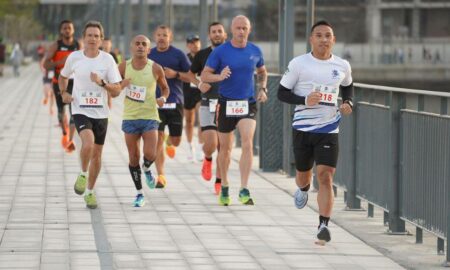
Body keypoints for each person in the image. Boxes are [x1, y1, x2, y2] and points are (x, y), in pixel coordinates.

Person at [277, 20, 353, 244]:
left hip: (329, 128)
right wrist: (304, 100)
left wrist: (348, 102)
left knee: (326, 176)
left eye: (327, 35)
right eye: (318, 35)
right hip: (302, 128)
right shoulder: (299, 64)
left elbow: (348, 85)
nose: (323, 39)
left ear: (333, 40)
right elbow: (282, 93)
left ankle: (323, 225)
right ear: (311, 39)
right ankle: (303, 187)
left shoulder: (342, 65)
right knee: (303, 176)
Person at [201, 15, 268, 206]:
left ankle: (244, 188)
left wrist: (263, 88)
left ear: (249, 29)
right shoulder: (221, 52)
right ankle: (224, 186)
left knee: (247, 142)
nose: (241, 31)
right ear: (232, 29)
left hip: (247, 102)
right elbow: (205, 75)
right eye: (238, 28)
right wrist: (219, 76)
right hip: (226, 103)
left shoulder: (255, 50)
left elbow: (262, 72)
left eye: (244, 28)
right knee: (226, 149)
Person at [59, 21, 123, 209]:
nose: (93, 39)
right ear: (83, 38)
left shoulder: (108, 60)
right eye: (90, 35)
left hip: (101, 113)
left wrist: (102, 83)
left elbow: (117, 90)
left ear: (101, 39)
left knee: (97, 154)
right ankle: (82, 173)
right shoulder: (75, 57)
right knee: (87, 142)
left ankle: (90, 192)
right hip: (80, 109)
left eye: (96, 36)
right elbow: (63, 77)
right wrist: (64, 93)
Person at [118, 34, 169, 207]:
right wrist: (120, 86)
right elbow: (114, 87)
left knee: (150, 154)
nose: (140, 46)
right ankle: (139, 194)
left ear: (148, 49)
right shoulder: (123, 66)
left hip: (149, 116)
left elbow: (165, 88)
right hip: (130, 117)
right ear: (131, 47)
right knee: (133, 158)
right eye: (137, 43)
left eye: (144, 44)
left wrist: (163, 98)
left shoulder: (155, 67)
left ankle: (147, 168)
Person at [147, 25, 191, 188]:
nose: (161, 38)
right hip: (155, 104)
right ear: (154, 36)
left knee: (176, 140)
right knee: (157, 140)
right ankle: (161, 176)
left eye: (164, 35)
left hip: (175, 102)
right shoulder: (149, 54)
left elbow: (191, 76)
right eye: (158, 35)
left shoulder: (178, 55)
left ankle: (170, 142)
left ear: (170, 37)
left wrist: (176, 74)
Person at [187, 22, 227, 195]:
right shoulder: (202, 54)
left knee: (223, 146)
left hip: (228, 104)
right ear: (209, 35)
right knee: (211, 143)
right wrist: (200, 83)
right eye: (213, 32)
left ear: (225, 34)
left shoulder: (232, 53)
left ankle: (219, 180)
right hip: (208, 103)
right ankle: (208, 158)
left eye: (220, 31)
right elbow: (190, 74)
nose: (217, 34)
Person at [43, 20, 82, 153]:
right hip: (58, 82)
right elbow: (46, 65)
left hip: (74, 84)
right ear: (61, 31)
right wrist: (61, 62)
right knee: (61, 111)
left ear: (73, 30)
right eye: (64, 28)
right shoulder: (56, 46)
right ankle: (64, 134)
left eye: (69, 28)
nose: (67, 30)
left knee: (74, 112)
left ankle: (70, 140)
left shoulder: (78, 45)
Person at [183, 34, 203, 162]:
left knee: (202, 119)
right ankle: (190, 147)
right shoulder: (184, 59)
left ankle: (201, 148)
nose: (194, 44)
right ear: (187, 45)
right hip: (187, 91)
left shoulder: (205, 56)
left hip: (201, 91)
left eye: (196, 41)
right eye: (191, 43)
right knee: (189, 121)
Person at [39, 45, 55, 115]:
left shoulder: (55, 57)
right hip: (47, 76)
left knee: (52, 94)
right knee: (47, 91)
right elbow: (41, 64)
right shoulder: (45, 57)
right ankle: (46, 97)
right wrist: (43, 70)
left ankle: (51, 108)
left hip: (54, 77)